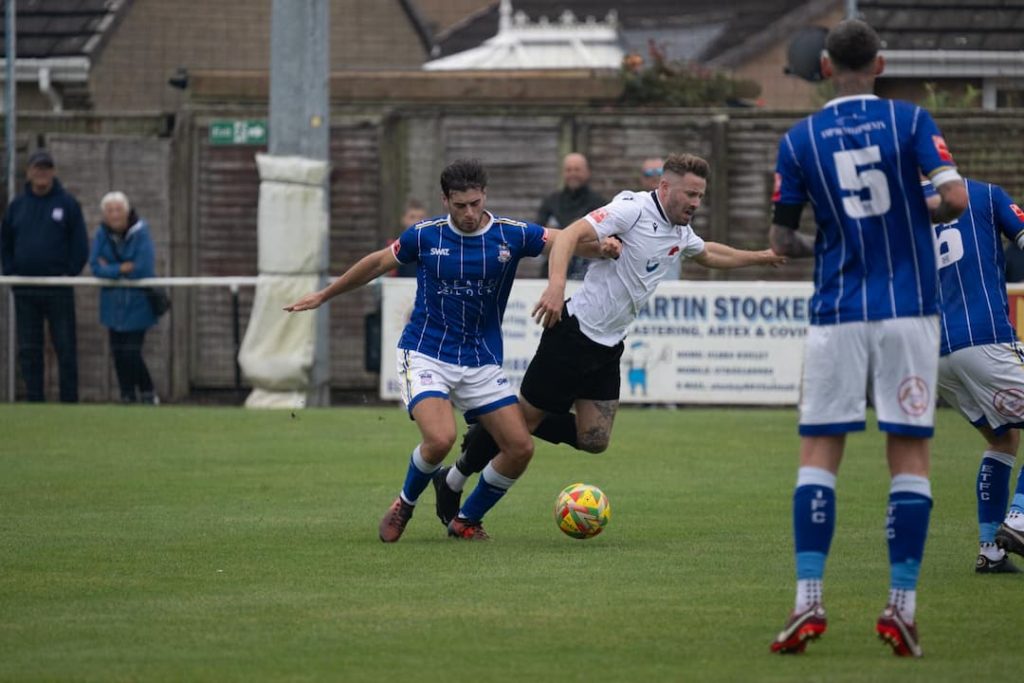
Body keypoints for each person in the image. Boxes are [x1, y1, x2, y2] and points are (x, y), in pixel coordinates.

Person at [439, 153, 785, 532]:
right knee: (520, 435)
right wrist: (556, 287)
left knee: (594, 439)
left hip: (608, 346)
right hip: (572, 335)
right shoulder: (632, 209)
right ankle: (461, 502)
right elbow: (569, 235)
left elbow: (709, 253)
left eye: (700, 196)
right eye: (690, 194)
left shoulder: (679, 231)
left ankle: (494, 419)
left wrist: (761, 257)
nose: (695, 203)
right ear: (665, 187)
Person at [765, 19, 968, 658]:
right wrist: (919, 210)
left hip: (837, 311)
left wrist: (824, 239)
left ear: (825, 68)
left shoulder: (799, 139)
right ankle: (901, 607)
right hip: (909, 310)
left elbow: (781, 240)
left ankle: (808, 600)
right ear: (880, 64)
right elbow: (956, 198)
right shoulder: (911, 122)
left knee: (819, 453)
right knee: (908, 455)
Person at [284, 159, 619, 543]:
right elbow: (377, 262)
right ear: (445, 201)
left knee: (520, 448)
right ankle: (405, 503)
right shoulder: (425, 235)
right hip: (426, 352)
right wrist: (324, 295)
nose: (469, 213)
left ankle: (465, 519)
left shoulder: (511, 234)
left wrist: (604, 248)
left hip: (480, 359)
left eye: (475, 203)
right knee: (441, 439)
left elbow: (566, 238)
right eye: (460, 205)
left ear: (485, 196)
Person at [927, 177, 1024, 573]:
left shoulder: (902, 210)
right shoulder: (984, 193)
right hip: (983, 337)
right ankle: (1019, 518)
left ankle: (991, 551)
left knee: (1003, 439)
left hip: (934, 352)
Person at [0, 149, 88, 402]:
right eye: (38, 168)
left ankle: (69, 401)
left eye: (46, 169)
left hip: (58, 288)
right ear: (29, 173)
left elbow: (80, 244)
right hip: (25, 288)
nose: (42, 173)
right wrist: (11, 273)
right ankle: (34, 400)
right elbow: (5, 242)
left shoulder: (68, 204)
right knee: (29, 348)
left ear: (53, 172)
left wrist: (68, 273)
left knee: (65, 346)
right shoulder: (17, 207)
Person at [89, 191, 159, 404]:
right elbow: (95, 267)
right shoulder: (101, 234)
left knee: (131, 352)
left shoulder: (141, 233)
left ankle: (148, 392)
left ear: (127, 212)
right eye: (110, 210)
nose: (114, 214)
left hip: (138, 304)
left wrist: (110, 267)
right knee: (118, 353)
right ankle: (127, 395)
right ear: (104, 215)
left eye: (118, 209)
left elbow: (142, 268)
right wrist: (121, 268)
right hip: (112, 305)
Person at [536, 152, 607, 280]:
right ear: (563, 173)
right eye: (569, 170)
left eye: (577, 169)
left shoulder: (600, 204)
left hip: (588, 275)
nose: (573, 174)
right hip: (551, 272)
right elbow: (538, 235)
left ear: (587, 172)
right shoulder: (551, 202)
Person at [390, 199, 427, 278]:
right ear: (403, 219)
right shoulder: (394, 246)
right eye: (412, 217)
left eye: (421, 217)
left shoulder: (433, 247)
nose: (417, 222)